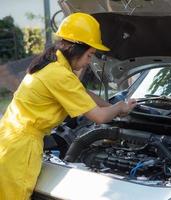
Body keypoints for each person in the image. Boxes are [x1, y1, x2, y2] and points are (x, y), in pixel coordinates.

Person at [0, 12, 136, 200]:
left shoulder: (54, 64)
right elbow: (100, 117)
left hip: (9, 138)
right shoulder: (60, 75)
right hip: (21, 149)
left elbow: (82, 92)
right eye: (90, 55)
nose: (90, 61)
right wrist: (120, 108)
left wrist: (115, 105)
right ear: (76, 49)